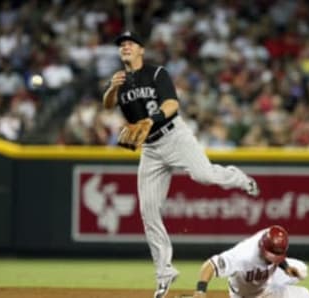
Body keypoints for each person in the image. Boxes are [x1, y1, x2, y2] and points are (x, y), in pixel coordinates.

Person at [102, 31, 260, 298]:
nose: (125, 47)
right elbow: (108, 105)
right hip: (150, 149)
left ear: (141, 49)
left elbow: (173, 104)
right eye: (121, 45)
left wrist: (151, 120)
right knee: (148, 210)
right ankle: (164, 275)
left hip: (174, 136)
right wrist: (112, 88)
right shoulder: (121, 81)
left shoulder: (156, 73)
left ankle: (239, 178)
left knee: (205, 175)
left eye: (130, 43)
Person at [193, 225, 309, 298]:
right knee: (305, 295)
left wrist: (286, 268)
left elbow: (277, 254)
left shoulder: (271, 237)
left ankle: (275, 286)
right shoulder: (242, 256)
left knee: (302, 269)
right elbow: (209, 265)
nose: (272, 260)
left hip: (264, 278)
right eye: (270, 256)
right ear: (262, 246)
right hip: (248, 294)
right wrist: (200, 290)